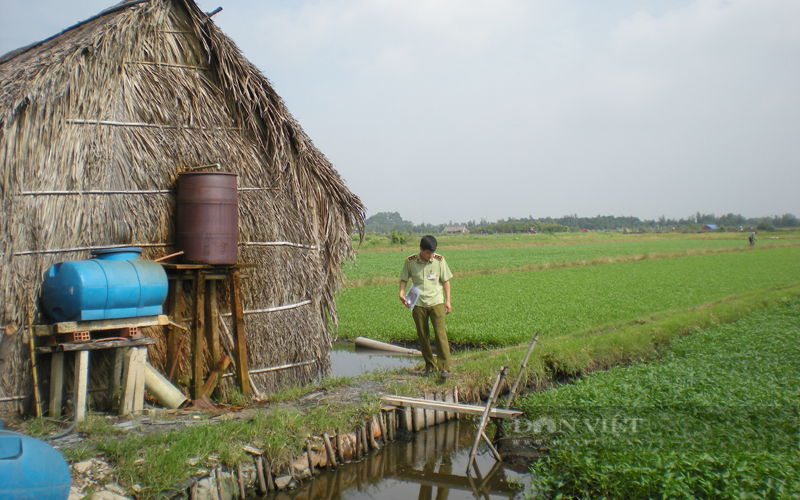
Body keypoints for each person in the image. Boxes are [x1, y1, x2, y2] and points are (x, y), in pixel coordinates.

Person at [399, 235, 453, 379]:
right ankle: (430, 365)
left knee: (440, 334)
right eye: (428, 253)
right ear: (421, 249)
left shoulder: (439, 260)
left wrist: (448, 301)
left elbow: (446, 281)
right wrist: (401, 293)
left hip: (436, 302)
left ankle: (445, 368)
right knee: (423, 336)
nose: (431, 255)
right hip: (418, 303)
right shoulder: (410, 261)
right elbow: (404, 278)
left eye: (432, 253)